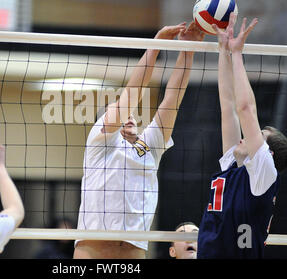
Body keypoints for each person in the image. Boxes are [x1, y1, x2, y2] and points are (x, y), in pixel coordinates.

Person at [74, 22, 205, 259]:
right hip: (93, 252)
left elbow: (173, 98)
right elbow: (130, 96)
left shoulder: (149, 146)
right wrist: (155, 45)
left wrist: (189, 49)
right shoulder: (100, 141)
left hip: (133, 254)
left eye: (133, 114)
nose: (129, 116)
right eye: (121, 112)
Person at [197, 13, 287, 259]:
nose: (246, 135)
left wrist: (237, 53)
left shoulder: (264, 172)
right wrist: (223, 51)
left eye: (258, 135)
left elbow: (245, 109)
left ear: (267, 154)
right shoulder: (234, 164)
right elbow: (227, 105)